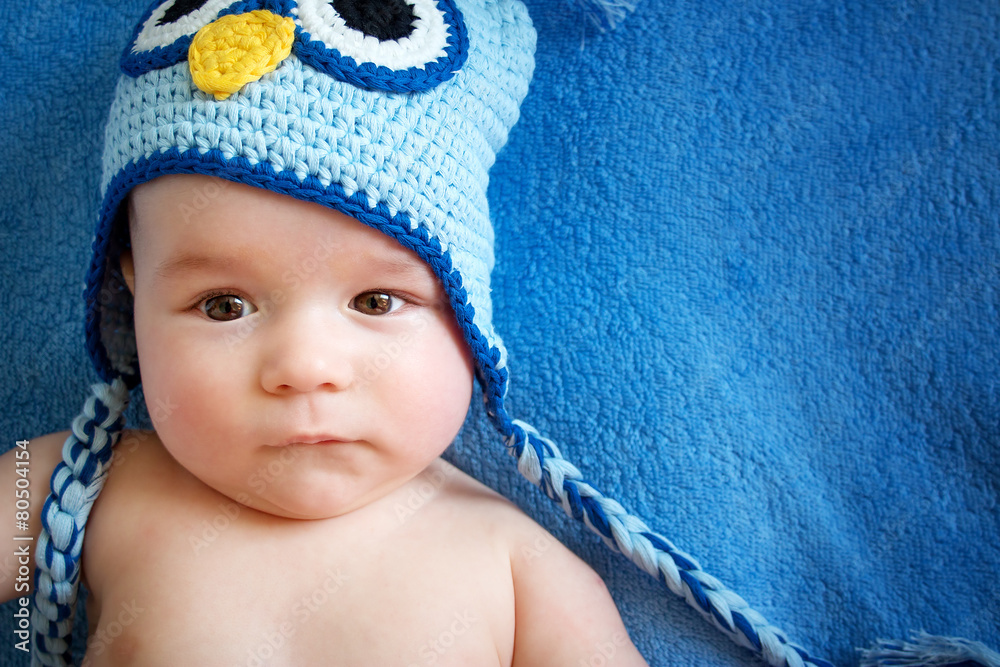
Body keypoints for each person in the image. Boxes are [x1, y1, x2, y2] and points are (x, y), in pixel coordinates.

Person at [0, 0, 652, 665]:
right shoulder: (83, 478)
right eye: (223, 305)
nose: (305, 366)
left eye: (375, 300)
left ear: (467, 311)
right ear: (133, 294)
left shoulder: (521, 568)